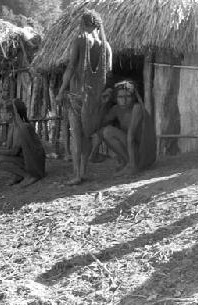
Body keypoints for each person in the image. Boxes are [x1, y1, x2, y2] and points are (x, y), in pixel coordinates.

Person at [56, 9, 112, 185]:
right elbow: (108, 72)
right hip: (94, 100)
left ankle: (77, 175)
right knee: (87, 136)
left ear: (83, 23)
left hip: (77, 97)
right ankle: (84, 171)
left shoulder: (80, 40)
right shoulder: (106, 46)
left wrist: (60, 91)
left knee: (77, 137)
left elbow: (71, 67)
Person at [0, 99, 45, 187]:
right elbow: (8, 148)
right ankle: (20, 175)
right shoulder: (13, 126)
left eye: (3, 112)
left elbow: (13, 152)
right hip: (24, 160)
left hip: (34, 164)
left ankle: (29, 176)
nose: (1, 114)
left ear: (10, 114)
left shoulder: (22, 128)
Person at [98, 80, 156, 175]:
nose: (124, 100)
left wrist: (132, 166)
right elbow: (100, 123)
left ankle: (132, 165)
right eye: (120, 97)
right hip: (134, 150)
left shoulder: (137, 108)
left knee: (108, 131)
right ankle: (127, 162)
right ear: (116, 98)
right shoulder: (116, 109)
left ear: (133, 97)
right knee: (103, 131)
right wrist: (104, 103)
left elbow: (131, 136)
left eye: (127, 96)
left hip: (144, 154)